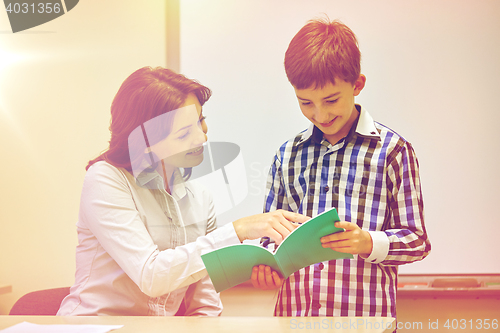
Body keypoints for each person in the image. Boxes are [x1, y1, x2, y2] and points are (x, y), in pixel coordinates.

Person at [57, 66, 308, 316]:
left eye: (200, 121)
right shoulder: (105, 179)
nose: (202, 138)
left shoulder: (201, 198)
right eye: (185, 133)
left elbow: (206, 306)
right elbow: (151, 276)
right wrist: (238, 230)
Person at [251, 18, 431, 319]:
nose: (319, 114)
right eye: (305, 103)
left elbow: (417, 240)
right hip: (293, 320)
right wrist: (267, 263)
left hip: (365, 321)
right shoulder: (286, 155)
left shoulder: (393, 152)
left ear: (357, 84)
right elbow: (271, 236)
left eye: (331, 100)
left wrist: (367, 242)